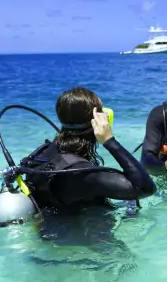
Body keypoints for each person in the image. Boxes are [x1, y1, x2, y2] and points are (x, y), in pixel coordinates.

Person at [21, 87, 157, 212]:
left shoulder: (45, 153)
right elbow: (145, 188)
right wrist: (109, 141)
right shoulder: (82, 173)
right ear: (97, 121)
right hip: (83, 236)